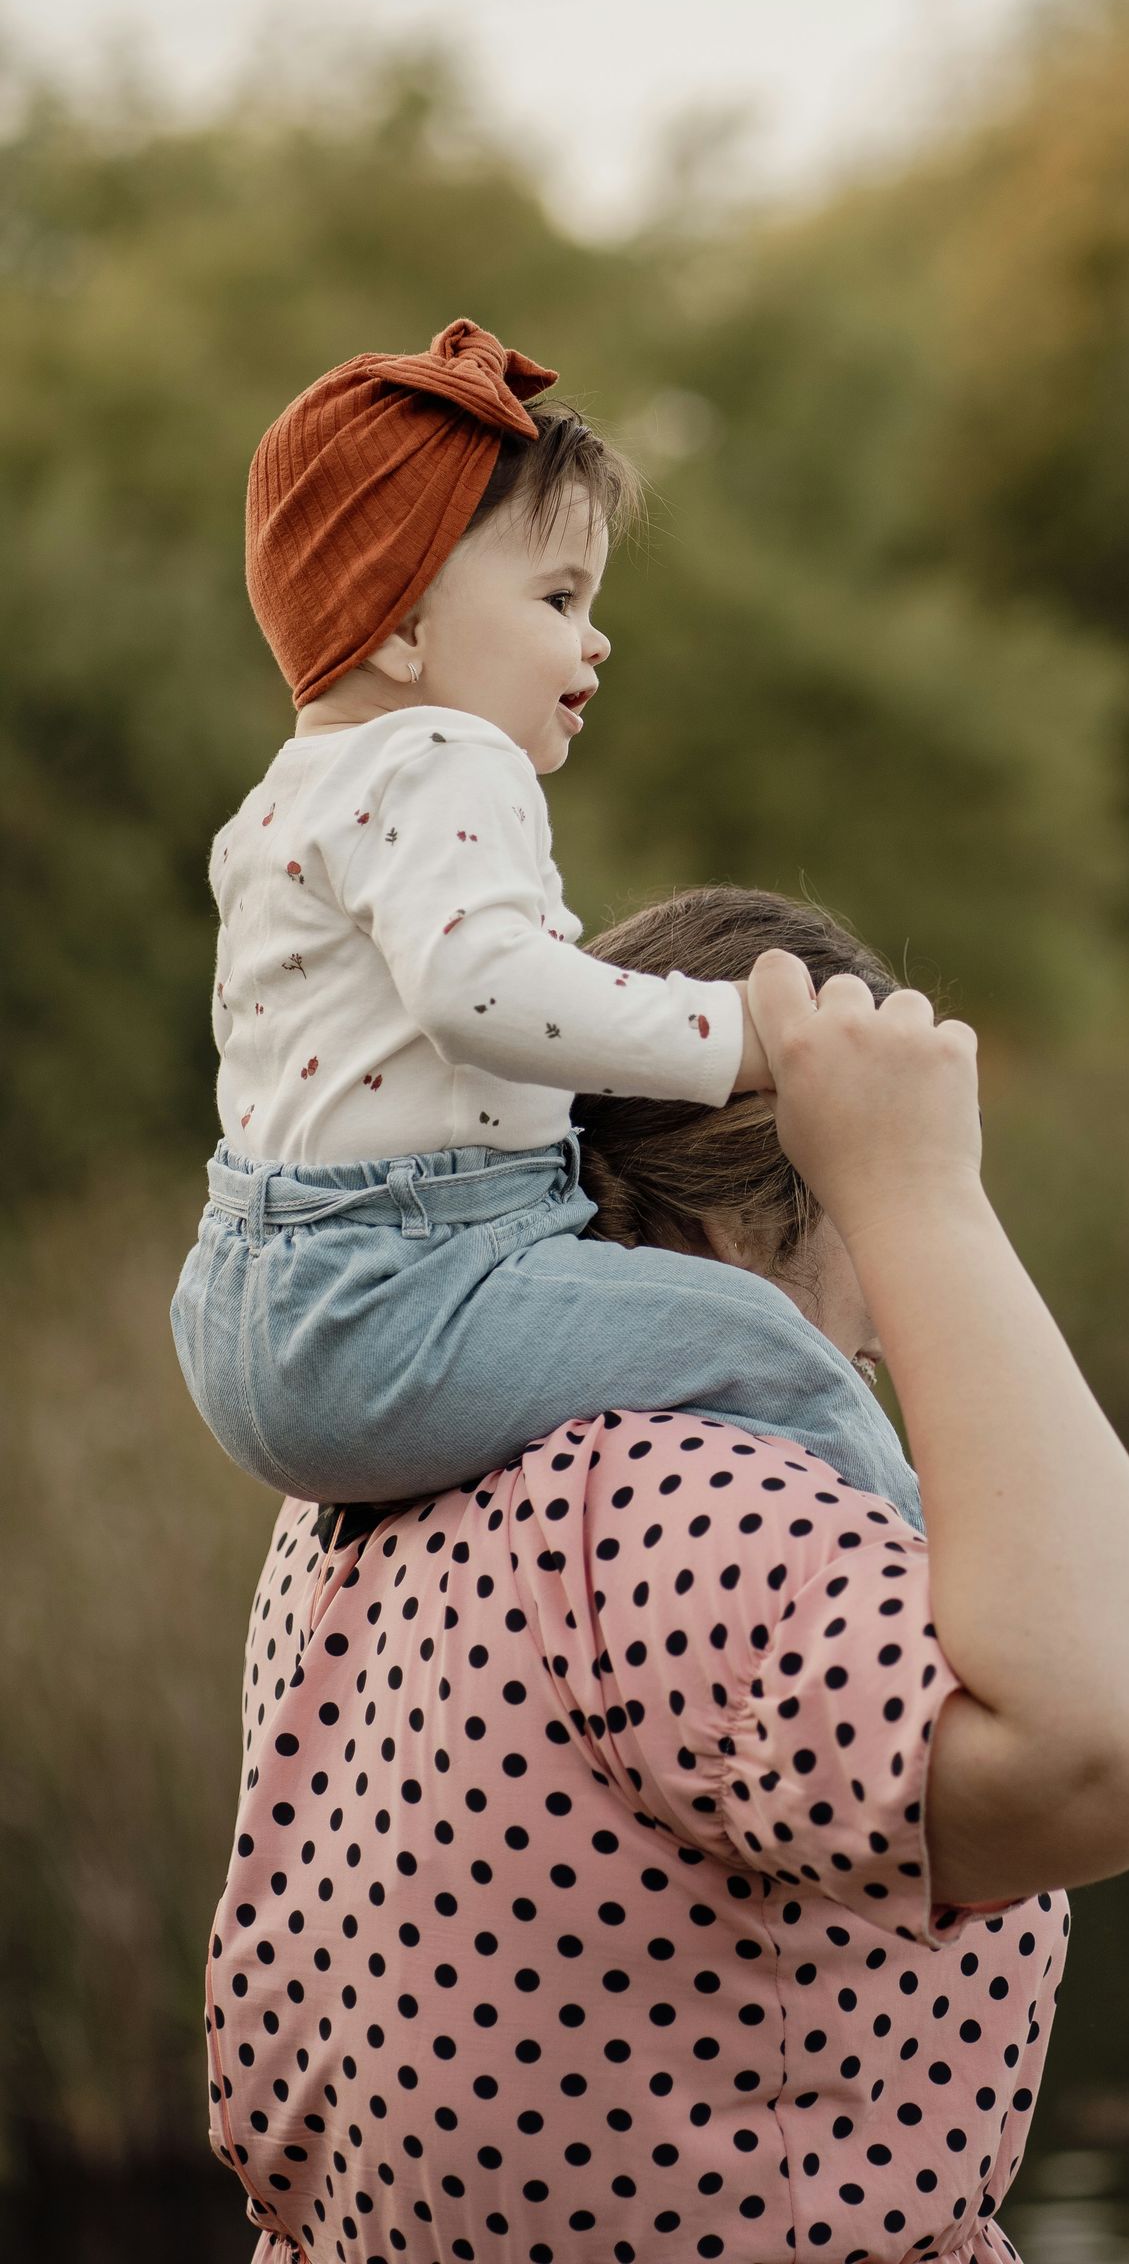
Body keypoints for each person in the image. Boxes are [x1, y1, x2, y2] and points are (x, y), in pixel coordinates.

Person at [204, 885, 1129, 2264]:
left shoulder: (376, 1492)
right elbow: (1122, 1747)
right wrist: (927, 1197)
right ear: (742, 1230)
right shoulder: (675, 1502)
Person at [170, 318, 919, 1533]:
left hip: (248, 1311)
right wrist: (743, 1036)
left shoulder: (279, 805)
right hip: (407, 1290)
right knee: (771, 1347)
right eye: (559, 595)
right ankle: (927, 1591)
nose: (596, 635)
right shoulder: (449, 753)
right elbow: (482, 990)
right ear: (402, 626)